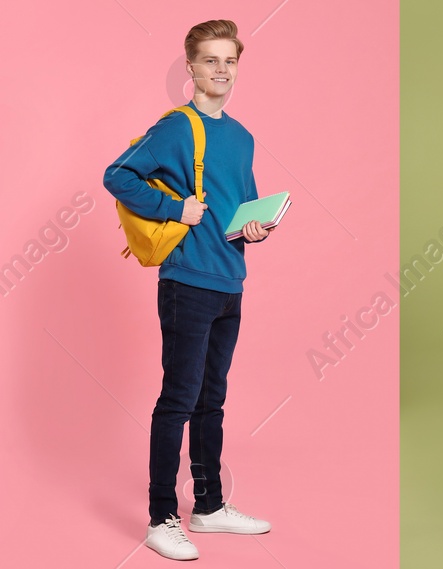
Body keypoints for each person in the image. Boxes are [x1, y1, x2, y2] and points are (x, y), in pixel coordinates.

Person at [103, 19, 275, 562]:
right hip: (186, 282)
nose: (222, 70)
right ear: (192, 68)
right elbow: (118, 175)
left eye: (230, 61)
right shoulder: (178, 126)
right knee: (177, 400)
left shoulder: (243, 136)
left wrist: (257, 227)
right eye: (211, 61)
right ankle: (161, 517)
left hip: (230, 282)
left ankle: (210, 506)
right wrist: (176, 208)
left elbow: (240, 207)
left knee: (212, 400)